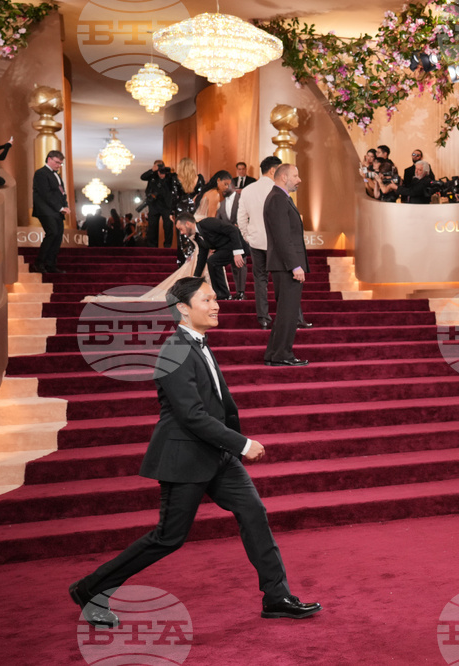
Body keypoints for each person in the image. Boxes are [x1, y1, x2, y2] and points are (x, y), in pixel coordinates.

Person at [69, 277, 321, 629]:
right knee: (168, 538)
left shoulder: (198, 343)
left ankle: (276, 596)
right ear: (183, 309)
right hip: (185, 457)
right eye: (207, 299)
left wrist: (230, 444)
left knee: (253, 514)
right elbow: (191, 414)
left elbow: (217, 405)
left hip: (217, 455)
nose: (216, 304)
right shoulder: (174, 348)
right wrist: (242, 443)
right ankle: (90, 588)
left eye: (215, 298)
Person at [238, 156, 308, 330]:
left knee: (260, 280)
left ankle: (263, 318)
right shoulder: (278, 190)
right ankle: (295, 318)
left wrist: (249, 237)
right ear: (273, 171)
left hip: (256, 242)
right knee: (286, 283)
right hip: (277, 244)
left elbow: (241, 218)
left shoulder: (247, 190)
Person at [264, 164, 309, 367]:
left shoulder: (280, 198)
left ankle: (275, 353)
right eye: (295, 176)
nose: (299, 180)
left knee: (286, 312)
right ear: (283, 177)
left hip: (284, 265)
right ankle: (282, 354)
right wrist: (295, 266)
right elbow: (283, 238)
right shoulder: (277, 199)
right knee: (288, 313)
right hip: (286, 266)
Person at [174, 212, 244, 301]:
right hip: (225, 249)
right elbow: (202, 258)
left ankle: (223, 295)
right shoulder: (198, 237)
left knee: (213, 261)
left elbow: (233, 229)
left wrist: (237, 252)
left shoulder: (207, 223)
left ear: (188, 224)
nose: (181, 233)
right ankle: (222, 295)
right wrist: (196, 278)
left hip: (235, 245)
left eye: (181, 229)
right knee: (212, 261)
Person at [32, 150, 71, 273]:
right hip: (45, 210)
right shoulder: (41, 173)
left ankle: (50, 265)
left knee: (58, 236)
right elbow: (46, 194)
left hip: (56, 211)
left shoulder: (57, 176)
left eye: (61, 163)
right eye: (57, 162)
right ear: (49, 159)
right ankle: (39, 263)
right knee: (52, 233)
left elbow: (62, 193)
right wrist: (60, 208)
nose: (59, 165)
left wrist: (65, 206)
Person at [215, 174, 249, 300]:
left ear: (230, 185)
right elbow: (218, 222)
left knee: (241, 264)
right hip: (228, 240)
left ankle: (241, 292)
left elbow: (250, 216)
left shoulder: (243, 199)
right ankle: (237, 292)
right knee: (234, 266)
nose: (222, 190)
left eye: (224, 186)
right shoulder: (222, 204)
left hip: (242, 238)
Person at [140, 160, 176, 249]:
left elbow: (176, 180)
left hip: (166, 205)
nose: (159, 168)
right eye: (157, 166)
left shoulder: (169, 175)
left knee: (168, 226)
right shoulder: (152, 175)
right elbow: (142, 177)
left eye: (160, 166)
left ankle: (167, 246)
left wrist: (166, 175)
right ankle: (152, 247)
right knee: (152, 227)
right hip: (154, 205)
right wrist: (152, 170)